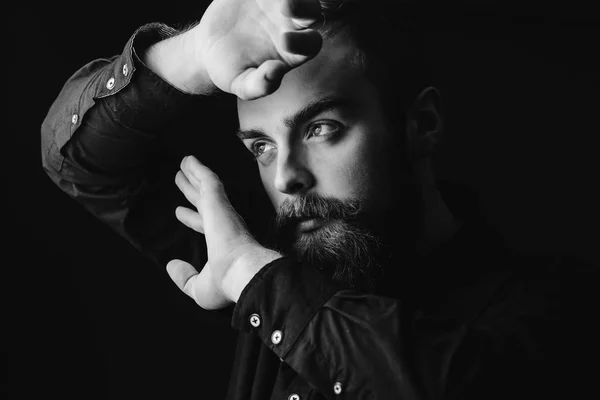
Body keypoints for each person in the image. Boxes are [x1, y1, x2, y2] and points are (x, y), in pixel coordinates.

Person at [41, 0, 573, 398]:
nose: (286, 179)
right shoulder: (264, 255)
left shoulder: (550, 314)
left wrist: (252, 277)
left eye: (321, 128)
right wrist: (193, 57)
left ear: (422, 125)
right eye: (262, 146)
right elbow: (77, 162)